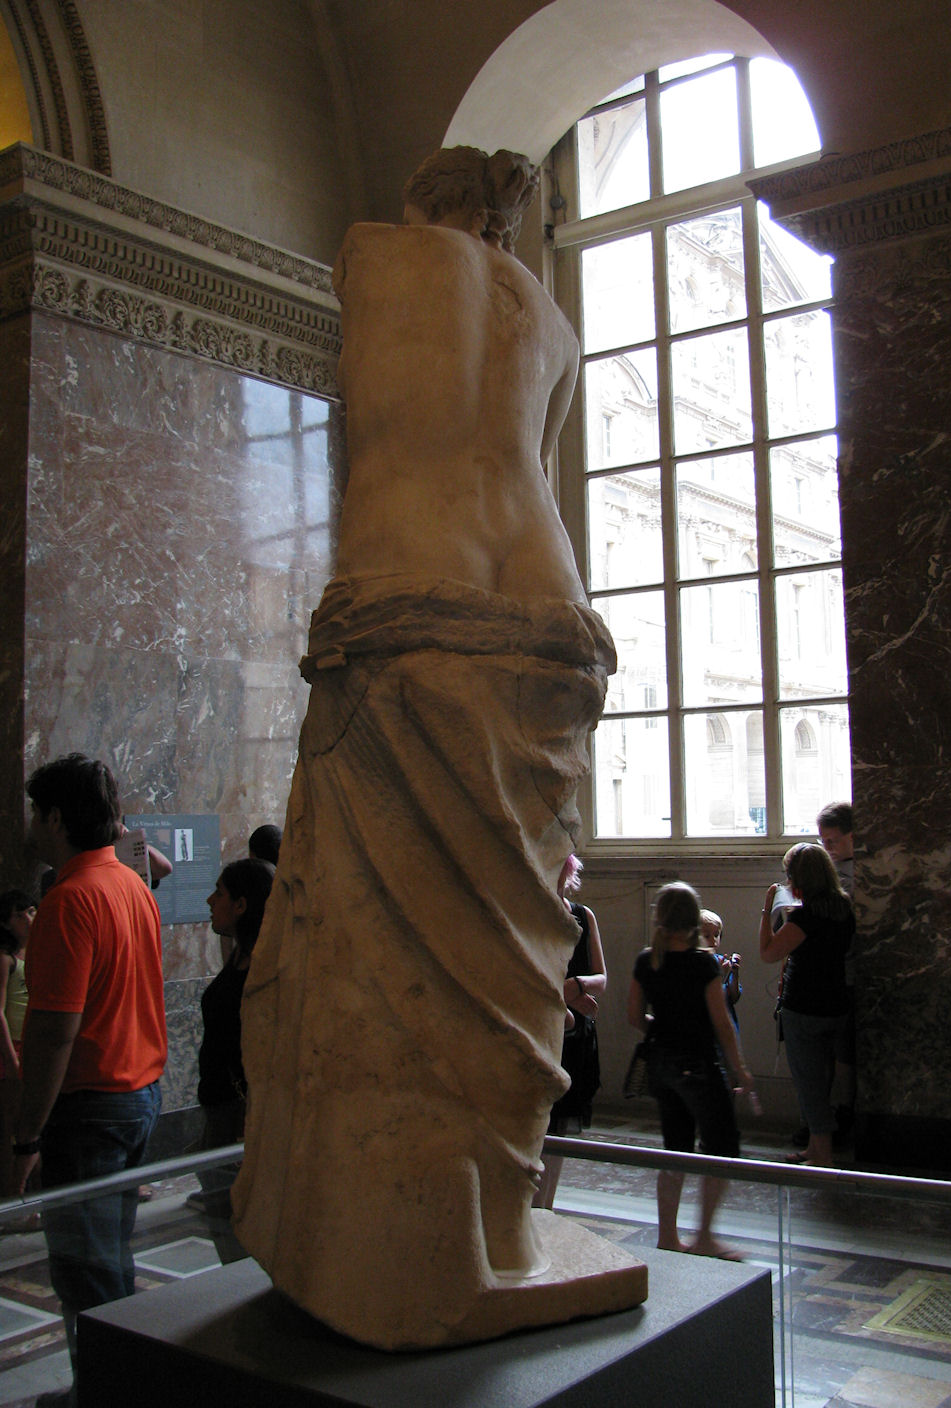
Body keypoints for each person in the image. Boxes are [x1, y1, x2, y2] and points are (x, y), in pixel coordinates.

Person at [231, 147, 619, 1349]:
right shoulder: (552, 320)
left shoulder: (375, 255)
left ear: (425, 202)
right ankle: (490, 1230)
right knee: (503, 948)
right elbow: (523, 457)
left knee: (378, 942)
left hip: (412, 592)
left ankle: (399, 1248)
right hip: (551, 615)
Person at [12, 755, 166, 1405]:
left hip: (91, 1106)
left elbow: (54, 1033)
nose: (29, 824)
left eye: (35, 812)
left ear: (54, 818)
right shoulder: (128, 883)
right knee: (109, 1259)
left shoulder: (70, 900)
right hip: (137, 1095)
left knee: (87, 1272)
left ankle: (109, 1395)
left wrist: (26, 1137)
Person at [628, 882, 758, 1260]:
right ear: (693, 921)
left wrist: (665, 1030)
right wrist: (740, 1069)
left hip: (661, 1066)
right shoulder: (703, 963)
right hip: (699, 1064)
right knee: (721, 1148)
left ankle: (667, 1234)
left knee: (675, 1150)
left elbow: (634, 1017)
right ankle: (704, 1236)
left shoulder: (647, 960)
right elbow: (721, 1023)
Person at [196, 858, 274, 1263]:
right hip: (223, 1109)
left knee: (240, 1231)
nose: (211, 901)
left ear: (241, 904)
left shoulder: (264, 965)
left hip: (241, 1116)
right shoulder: (241, 955)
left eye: (220, 893)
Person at [760, 843, 855, 1168]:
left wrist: (767, 911)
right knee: (825, 1079)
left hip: (804, 1006)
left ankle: (822, 1154)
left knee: (809, 1083)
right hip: (836, 1002)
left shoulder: (805, 917)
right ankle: (815, 1147)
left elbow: (769, 952)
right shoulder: (843, 908)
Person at [533, 854, 605, 1210]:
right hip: (546, 1028)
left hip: (577, 1037)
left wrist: (574, 986)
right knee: (540, 1125)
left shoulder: (583, 915)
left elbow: (601, 979)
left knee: (562, 1127)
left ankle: (547, 1207)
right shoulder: (534, 914)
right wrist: (564, 996)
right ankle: (532, 1208)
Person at [816, 801, 856, 1145]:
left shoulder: (860, 873)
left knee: (845, 1051)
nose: (827, 848)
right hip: (827, 972)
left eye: (834, 841)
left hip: (849, 970)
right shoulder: (826, 871)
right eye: (823, 842)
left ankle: (844, 1113)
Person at [0, 891, 34, 1206]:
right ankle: (12, 1196)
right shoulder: (6, 959)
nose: (28, 919)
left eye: (31, 912)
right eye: (19, 914)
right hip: (13, 1046)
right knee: (12, 1124)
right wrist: (10, 1058)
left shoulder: (36, 953)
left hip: (34, 1043)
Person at [700, 907, 741, 1029]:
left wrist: (734, 973)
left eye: (716, 935)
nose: (713, 940)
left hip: (726, 1023)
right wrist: (719, 975)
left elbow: (734, 997)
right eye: (706, 936)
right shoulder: (694, 964)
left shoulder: (722, 961)